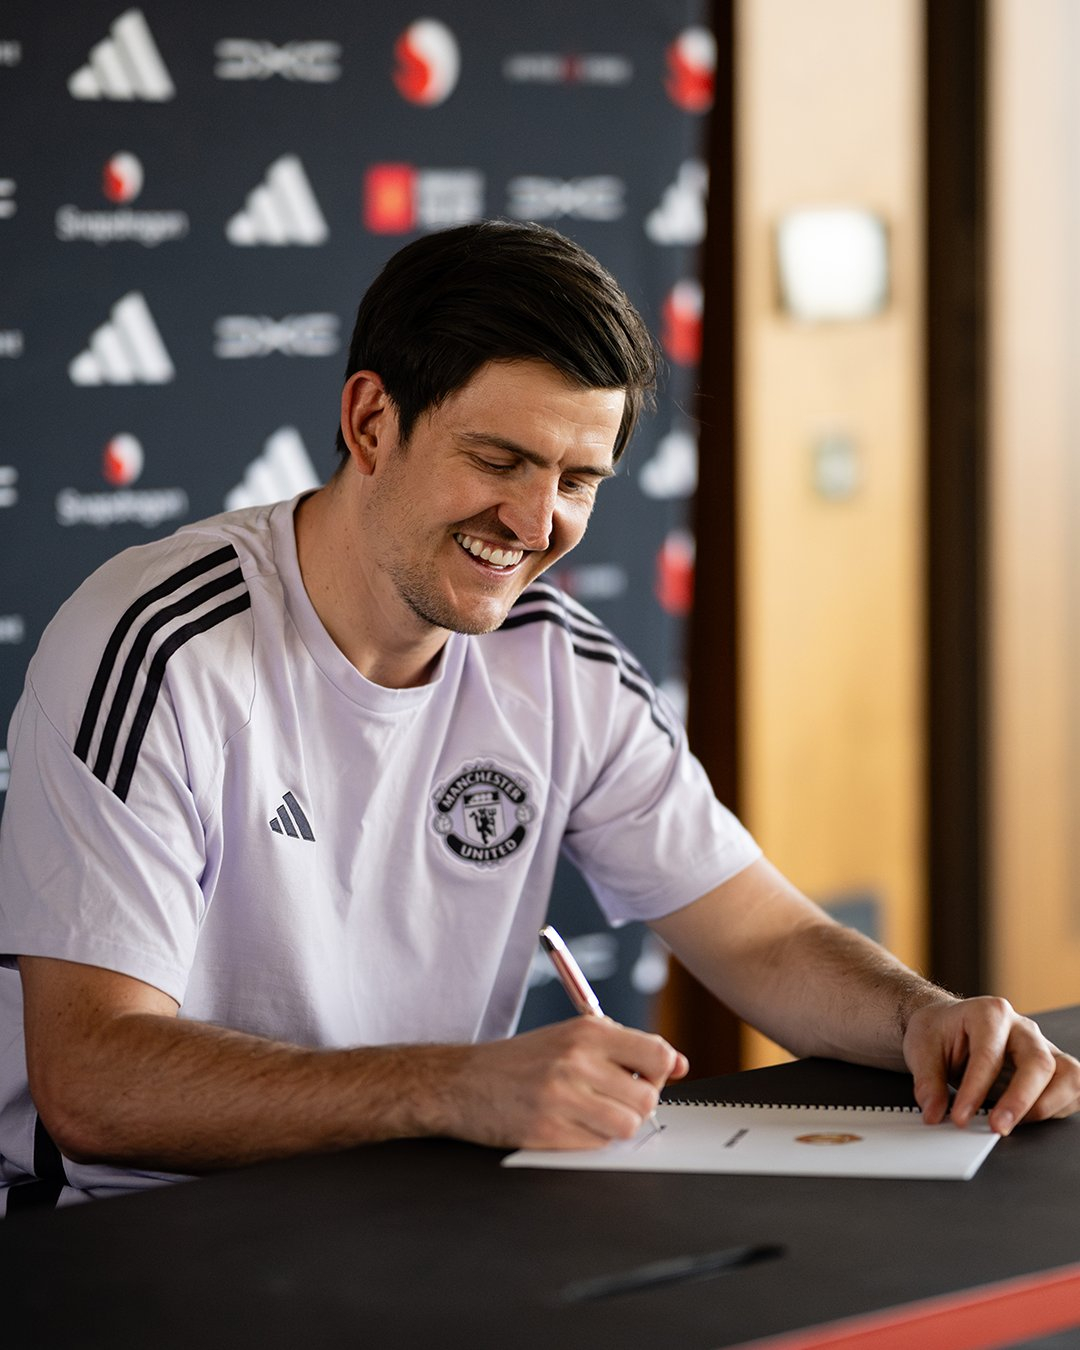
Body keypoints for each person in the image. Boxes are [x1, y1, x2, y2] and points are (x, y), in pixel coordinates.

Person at [0, 221, 1076, 1213]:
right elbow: (93, 1082)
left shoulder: (557, 659)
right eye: (499, 460)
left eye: (577, 478)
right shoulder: (156, 639)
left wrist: (921, 1020)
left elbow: (765, 936)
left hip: (414, 1214)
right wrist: (453, 1087)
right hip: (135, 1236)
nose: (534, 520)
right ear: (371, 421)